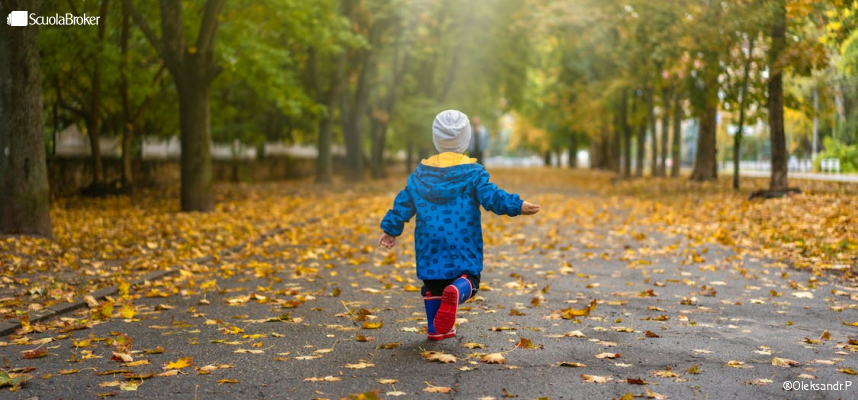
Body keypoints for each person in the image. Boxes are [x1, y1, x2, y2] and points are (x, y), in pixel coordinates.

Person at [378, 110, 540, 340]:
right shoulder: (472, 173)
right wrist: (517, 205)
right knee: (470, 279)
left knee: (433, 285)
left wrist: (390, 229)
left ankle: (437, 329)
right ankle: (458, 290)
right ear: (466, 140)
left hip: (429, 242)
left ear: (436, 139)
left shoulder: (420, 174)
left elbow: (404, 202)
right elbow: (491, 197)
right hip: (462, 240)